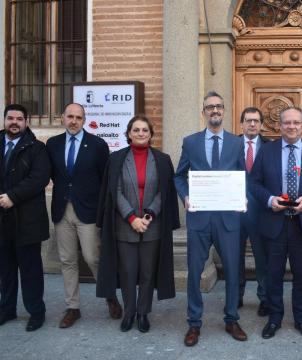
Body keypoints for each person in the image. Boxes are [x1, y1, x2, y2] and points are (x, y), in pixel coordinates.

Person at [175, 91, 247, 346]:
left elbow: (242, 176)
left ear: (224, 111)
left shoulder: (236, 143)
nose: (214, 111)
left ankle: (231, 319)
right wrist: (184, 196)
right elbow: (179, 175)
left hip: (228, 218)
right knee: (195, 272)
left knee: (232, 269)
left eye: (218, 107)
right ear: (203, 112)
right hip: (199, 218)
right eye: (209, 107)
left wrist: (243, 197)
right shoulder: (191, 142)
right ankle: (194, 323)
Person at [96, 115, 180, 333]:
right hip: (125, 225)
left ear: (151, 134)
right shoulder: (116, 159)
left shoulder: (162, 159)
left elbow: (165, 191)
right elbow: (114, 191)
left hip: (152, 226)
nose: (141, 133)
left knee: (147, 273)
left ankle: (143, 313)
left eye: (145, 130)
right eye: (136, 130)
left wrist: (149, 215)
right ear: (129, 133)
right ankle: (129, 312)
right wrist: (132, 218)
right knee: (128, 272)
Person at [250, 107, 302, 340]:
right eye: (287, 123)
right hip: (274, 223)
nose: (291, 126)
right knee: (273, 275)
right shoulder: (266, 151)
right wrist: (270, 199)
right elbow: (254, 183)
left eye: (296, 122)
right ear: (280, 125)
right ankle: (274, 319)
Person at [0, 104, 50, 331]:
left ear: (26, 122)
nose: (14, 122)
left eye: (19, 118)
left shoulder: (37, 148)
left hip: (27, 221)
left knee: (31, 270)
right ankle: (7, 310)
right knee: (5, 270)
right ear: (4, 120)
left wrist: (13, 197)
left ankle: (36, 312)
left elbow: (39, 178)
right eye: (10, 118)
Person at [46, 103, 122, 328]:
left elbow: (105, 179)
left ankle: (110, 296)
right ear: (62, 118)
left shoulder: (97, 145)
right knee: (67, 260)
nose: (73, 121)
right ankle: (73, 307)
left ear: (84, 120)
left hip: (88, 211)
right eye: (70, 116)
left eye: (78, 117)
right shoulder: (53, 144)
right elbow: (46, 172)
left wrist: (105, 210)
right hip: (62, 209)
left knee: (92, 257)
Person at [238, 107, 269, 316]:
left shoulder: (270, 148)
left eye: (256, 121)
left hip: (261, 213)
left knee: (262, 257)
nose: (252, 124)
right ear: (241, 123)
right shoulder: (230, 145)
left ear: (261, 124)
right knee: (234, 256)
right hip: (235, 211)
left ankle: (264, 298)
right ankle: (236, 296)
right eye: (248, 120)